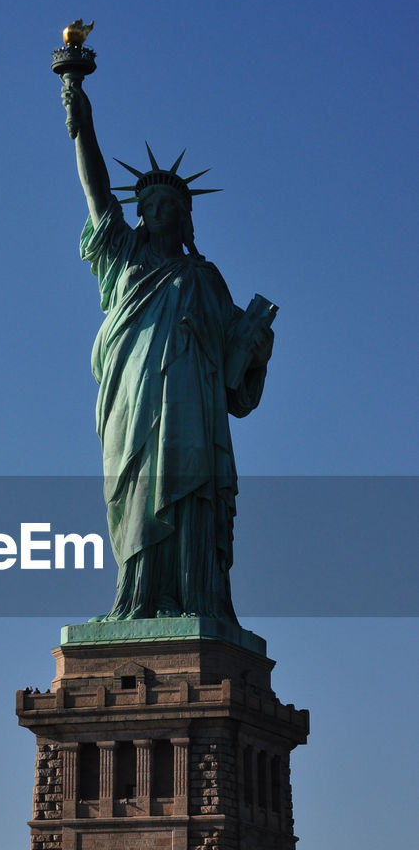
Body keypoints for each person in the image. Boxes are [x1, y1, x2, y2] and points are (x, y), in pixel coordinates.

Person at [61, 77, 274, 622]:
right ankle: (137, 598)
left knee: (192, 493)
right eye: (148, 203)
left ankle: (197, 599)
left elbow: (236, 374)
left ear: (185, 216)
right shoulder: (123, 256)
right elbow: (97, 190)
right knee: (137, 495)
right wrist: (81, 119)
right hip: (134, 402)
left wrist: (256, 343)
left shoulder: (206, 278)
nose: (156, 211)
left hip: (194, 412)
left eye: (166, 204)